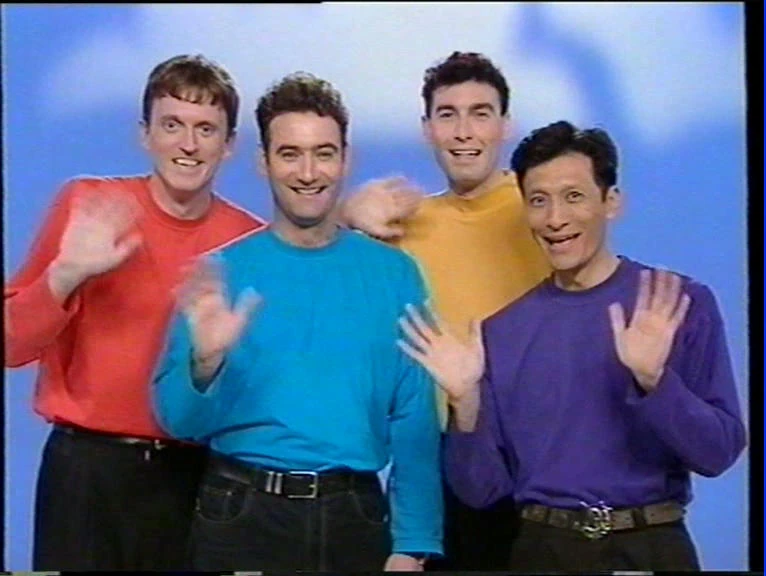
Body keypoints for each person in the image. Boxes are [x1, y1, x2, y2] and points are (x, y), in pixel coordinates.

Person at [397, 120, 747, 572]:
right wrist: (465, 403)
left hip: (651, 545)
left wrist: (654, 381)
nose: (555, 218)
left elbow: (718, 453)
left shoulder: (678, 303)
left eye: (574, 196)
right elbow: (481, 490)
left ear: (611, 201)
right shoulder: (503, 332)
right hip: (542, 551)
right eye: (538, 201)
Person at [151, 71, 443, 572]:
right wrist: (205, 363)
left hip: (354, 515)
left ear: (346, 159)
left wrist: (413, 543)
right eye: (290, 154)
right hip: (239, 514)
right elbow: (178, 420)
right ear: (263, 162)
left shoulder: (395, 274)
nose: (308, 172)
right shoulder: (220, 272)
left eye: (323, 153)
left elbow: (414, 417)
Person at [4, 54, 269, 570]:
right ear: (145, 134)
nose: (188, 144)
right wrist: (65, 274)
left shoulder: (247, 242)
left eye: (205, 129)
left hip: (196, 478)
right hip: (85, 475)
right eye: (172, 125)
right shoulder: (88, 207)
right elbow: (11, 346)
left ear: (229, 144)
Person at [341, 51, 551, 571]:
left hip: (541, 459)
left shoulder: (544, 212)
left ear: (505, 125)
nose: (463, 132)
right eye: (447, 115)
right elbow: (321, 284)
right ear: (427, 129)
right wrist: (346, 217)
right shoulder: (404, 225)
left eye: (480, 113)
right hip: (441, 463)